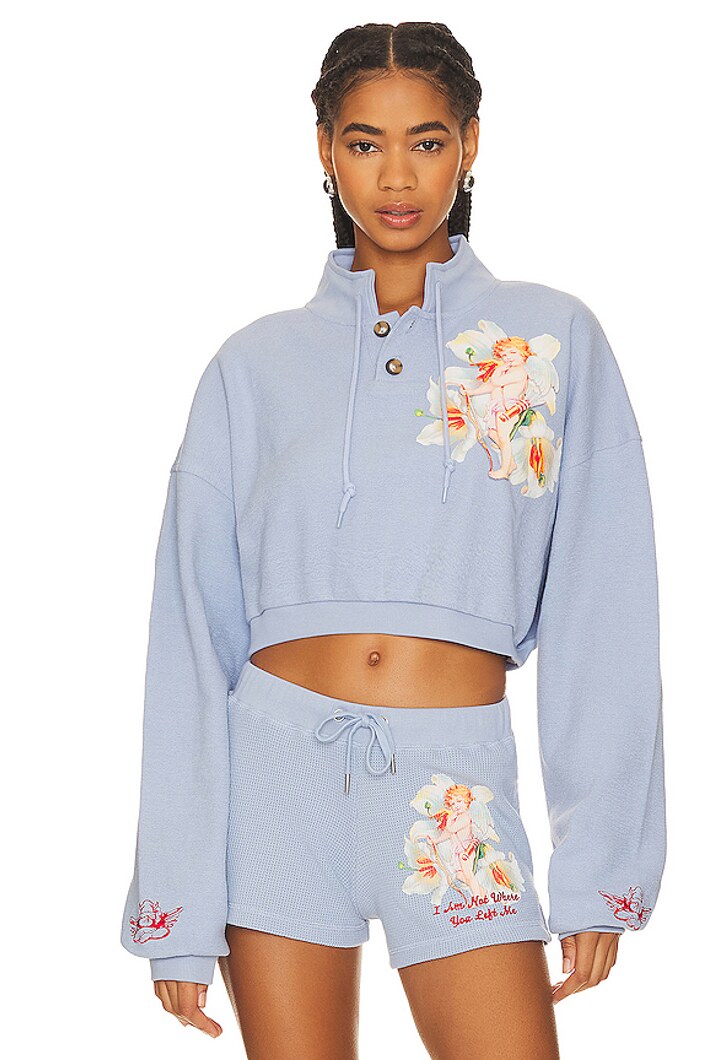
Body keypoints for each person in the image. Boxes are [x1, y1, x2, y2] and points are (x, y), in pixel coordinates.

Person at [119, 20, 667, 1060]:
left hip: (452, 778)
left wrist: (602, 863)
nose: (398, 176)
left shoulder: (549, 340)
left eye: (427, 141)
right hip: (272, 779)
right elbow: (189, 634)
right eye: (366, 143)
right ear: (326, 151)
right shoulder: (251, 365)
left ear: (470, 145)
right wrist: (176, 898)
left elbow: (606, 607)